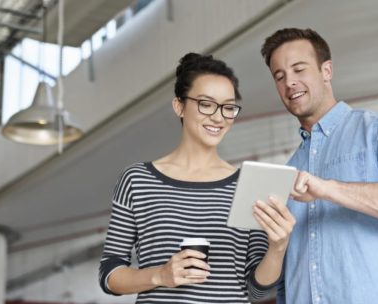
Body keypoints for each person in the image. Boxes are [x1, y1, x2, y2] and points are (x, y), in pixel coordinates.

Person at [260, 28, 378, 304]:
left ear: (327, 71)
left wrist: (328, 189)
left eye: (299, 69)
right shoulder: (287, 171)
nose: (290, 83)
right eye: (280, 76)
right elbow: (285, 277)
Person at [99, 52, 296, 303]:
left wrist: (278, 248)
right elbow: (109, 274)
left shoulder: (248, 186)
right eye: (206, 103)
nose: (218, 116)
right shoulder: (137, 180)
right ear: (179, 106)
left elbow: (258, 292)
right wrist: (160, 275)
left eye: (228, 107)